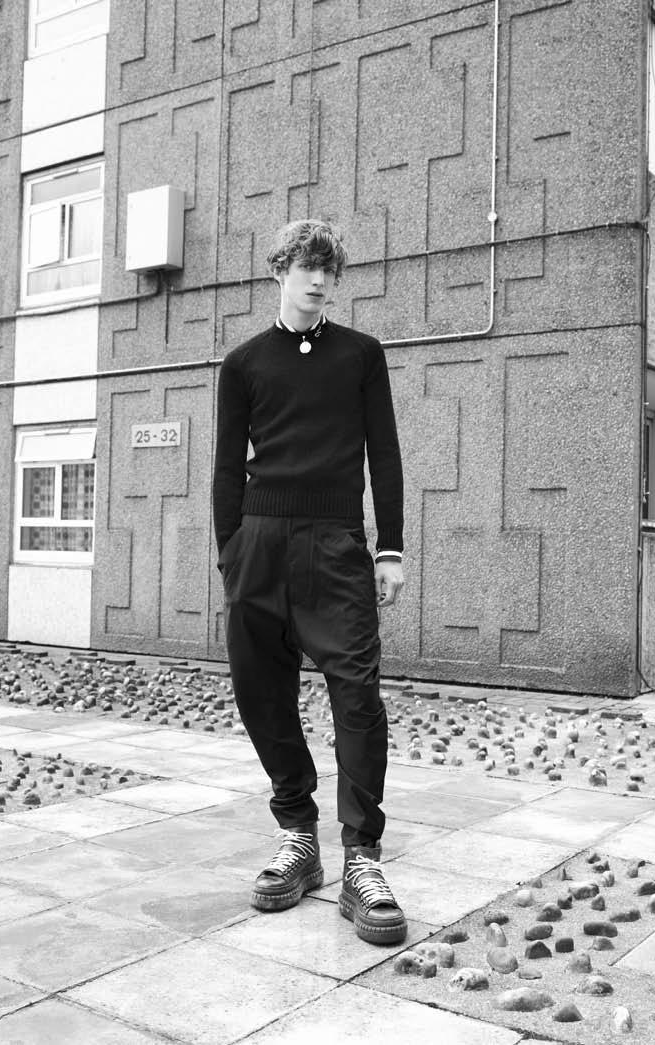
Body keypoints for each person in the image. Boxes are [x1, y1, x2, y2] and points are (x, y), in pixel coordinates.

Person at [212, 218, 406, 946]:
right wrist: (232, 552)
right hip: (258, 544)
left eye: (329, 270)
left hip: (336, 543)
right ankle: (298, 832)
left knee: (357, 691)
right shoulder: (243, 364)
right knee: (259, 689)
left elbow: (384, 454)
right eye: (306, 267)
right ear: (280, 272)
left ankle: (362, 858)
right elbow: (226, 467)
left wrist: (391, 548)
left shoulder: (360, 354)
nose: (319, 280)